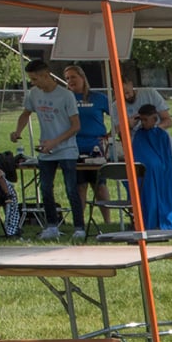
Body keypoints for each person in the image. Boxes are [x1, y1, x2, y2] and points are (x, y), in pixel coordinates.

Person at [119, 80, 172, 235]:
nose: (125, 95)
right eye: (121, 92)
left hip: (166, 161)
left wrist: (155, 131)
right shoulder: (138, 134)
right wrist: (130, 124)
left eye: (127, 91)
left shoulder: (151, 96)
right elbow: (122, 134)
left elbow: (168, 120)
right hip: (149, 171)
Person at [11, 59, 81, 241]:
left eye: (35, 79)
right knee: (45, 189)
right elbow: (25, 113)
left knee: (71, 188)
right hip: (46, 150)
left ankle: (79, 227)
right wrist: (18, 131)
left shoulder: (66, 95)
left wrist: (55, 142)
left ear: (45, 75)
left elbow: (75, 126)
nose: (33, 83)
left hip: (66, 149)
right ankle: (51, 226)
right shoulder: (33, 94)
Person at [61, 65, 112, 229]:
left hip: (95, 147)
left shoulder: (98, 98)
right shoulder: (66, 98)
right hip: (74, 147)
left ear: (82, 78)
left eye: (73, 77)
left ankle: (108, 221)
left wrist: (110, 135)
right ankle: (80, 222)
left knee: (100, 186)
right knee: (79, 187)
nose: (70, 81)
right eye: (67, 78)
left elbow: (118, 116)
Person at [126, 103, 172, 235]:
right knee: (147, 198)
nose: (144, 123)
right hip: (146, 176)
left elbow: (165, 158)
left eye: (146, 120)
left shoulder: (162, 135)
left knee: (162, 197)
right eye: (142, 120)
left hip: (161, 174)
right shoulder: (138, 135)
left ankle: (164, 223)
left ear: (155, 119)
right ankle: (148, 223)